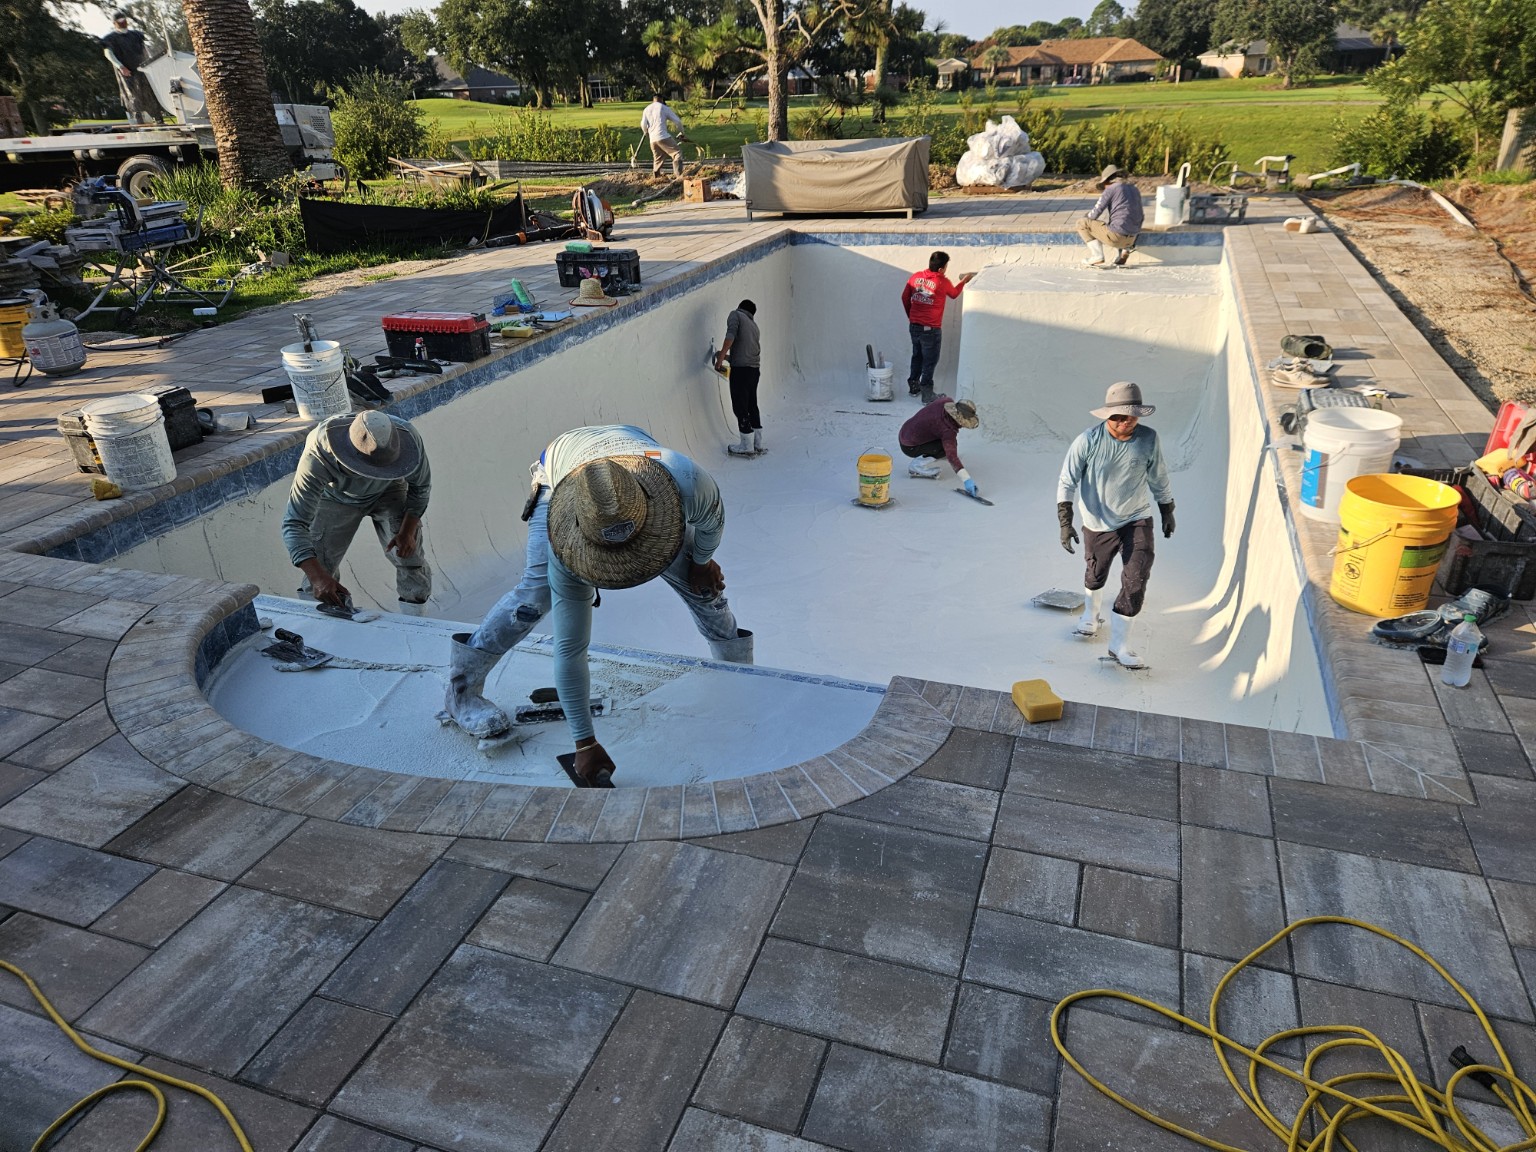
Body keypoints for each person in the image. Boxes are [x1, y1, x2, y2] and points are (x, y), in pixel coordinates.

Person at [444, 425, 753, 786]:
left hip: (628, 466)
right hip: (563, 471)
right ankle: (460, 692)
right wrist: (584, 742)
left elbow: (712, 523)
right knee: (535, 596)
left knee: (705, 589)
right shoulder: (568, 548)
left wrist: (702, 562)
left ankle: (745, 680)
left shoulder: (687, 481)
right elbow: (570, 648)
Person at [1056, 382, 1174, 669]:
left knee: (1136, 577)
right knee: (1096, 572)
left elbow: (1158, 476)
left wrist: (1167, 508)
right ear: (1107, 416)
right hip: (1098, 521)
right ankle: (1090, 615)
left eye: (1130, 416)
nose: (1124, 422)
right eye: (1118, 416)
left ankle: (1119, 645)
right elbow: (1067, 480)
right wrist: (1065, 520)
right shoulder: (1087, 441)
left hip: (1137, 518)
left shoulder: (1149, 439)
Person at [281, 410, 432, 616]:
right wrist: (317, 577)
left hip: (390, 489)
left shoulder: (409, 438)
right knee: (318, 565)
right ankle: (326, 620)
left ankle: (416, 620)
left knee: (408, 554)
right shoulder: (317, 455)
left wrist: (407, 531)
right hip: (336, 497)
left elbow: (420, 488)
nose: (373, 476)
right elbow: (294, 524)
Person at [901, 252, 975, 404]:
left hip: (914, 327)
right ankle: (927, 394)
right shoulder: (941, 281)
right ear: (941, 269)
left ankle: (913, 386)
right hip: (931, 329)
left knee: (917, 356)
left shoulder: (915, 277)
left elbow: (904, 297)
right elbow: (954, 294)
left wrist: (912, 317)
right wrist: (965, 280)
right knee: (930, 360)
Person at [899, 396, 981, 495]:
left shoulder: (946, 400)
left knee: (950, 444)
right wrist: (967, 479)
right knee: (944, 448)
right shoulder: (947, 430)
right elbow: (952, 456)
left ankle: (931, 451)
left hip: (906, 430)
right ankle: (916, 466)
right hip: (909, 446)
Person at [714, 299, 764, 457]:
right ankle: (757, 443)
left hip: (741, 372)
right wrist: (728, 357)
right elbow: (746, 353)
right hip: (754, 371)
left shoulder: (736, 315)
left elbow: (730, 337)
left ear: (740, 307)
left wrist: (721, 358)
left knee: (740, 406)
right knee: (751, 404)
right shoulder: (754, 326)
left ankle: (746, 446)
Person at [1077, 165, 1143, 268]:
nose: (1104, 188)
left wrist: (1086, 216)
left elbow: (1095, 213)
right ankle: (1125, 250)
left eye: (1104, 185)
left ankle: (1097, 255)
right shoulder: (1134, 189)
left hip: (1116, 237)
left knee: (1082, 223)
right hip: (1133, 238)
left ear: (1107, 181)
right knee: (1122, 221)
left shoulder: (1111, 188)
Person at [101, 10, 159, 125]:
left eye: (124, 20)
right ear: (114, 23)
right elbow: (108, 53)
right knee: (133, 97)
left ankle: (158, 120)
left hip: (143, 69)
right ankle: (139, 123)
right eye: (119, 21)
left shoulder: (136, 35)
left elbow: (145, 49)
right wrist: (121, 66)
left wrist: (152, 63)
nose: (122, 23)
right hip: (127, 72)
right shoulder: (111, 38)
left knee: (150, 94)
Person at [640, 94, 684, 180]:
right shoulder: (663, 108)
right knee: (677, 153)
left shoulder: (646, 109)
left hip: (652, 139)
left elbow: (643, 124)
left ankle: (656, 178)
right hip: (663, 136)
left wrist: (646, 132)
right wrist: (682, 133)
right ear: (661, 99)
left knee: (658, 159)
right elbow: (678, 121)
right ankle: (679, 176)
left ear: (653, 100)